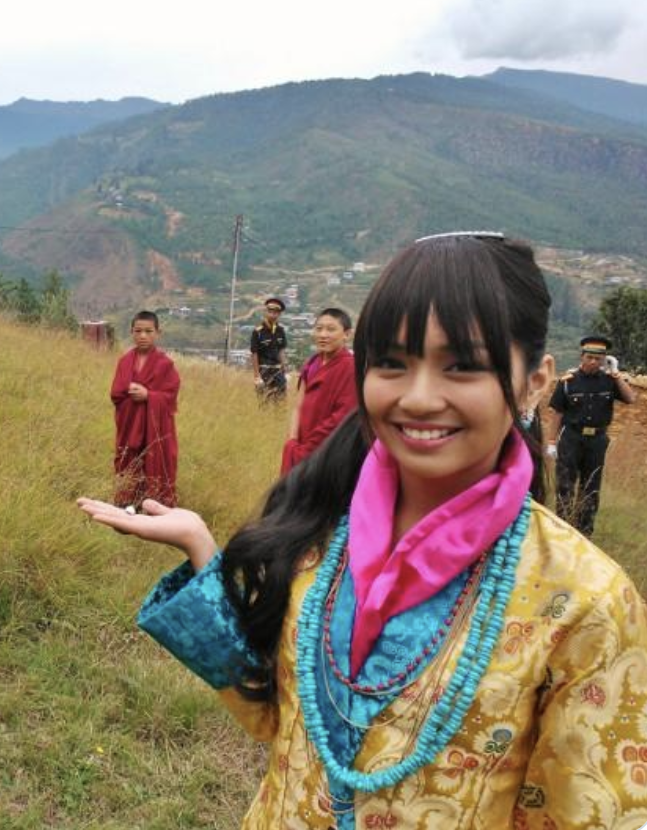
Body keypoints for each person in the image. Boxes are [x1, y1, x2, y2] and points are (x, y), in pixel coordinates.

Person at [79, 233, 647, 829]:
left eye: (462, 366)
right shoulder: (318, 528)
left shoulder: (587, 602)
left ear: (535, 381)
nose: (419, 398)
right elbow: (283, 721)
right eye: (393, 364)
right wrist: (201, 551)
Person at [547, 335, 636, 537]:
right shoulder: (569, 381)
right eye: (589, 358)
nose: (594, 362)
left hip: (597, 440)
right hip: (571, 437)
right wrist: (552, 441)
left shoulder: (609, 381)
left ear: (604, 359)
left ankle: (584, 533)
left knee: (591, 486)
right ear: (582, 357)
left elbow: (630, 398)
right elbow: (557, 413)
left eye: (598, 359)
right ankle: (562, 530)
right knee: (566, 484)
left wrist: (616, 373)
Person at [111, 310, 180, 508]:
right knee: (129, 463)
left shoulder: (164, 364)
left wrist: (149, 396)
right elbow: (116, 394)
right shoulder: (124, 362)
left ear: (158, 333)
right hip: (130, 426)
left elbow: (170, 396)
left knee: (155, 464)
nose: (143, 336)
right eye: (138, 331)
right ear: (131, 332)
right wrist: (129, 391)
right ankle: (127, 503)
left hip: (155, 430)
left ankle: (155, 507)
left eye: (149, 331)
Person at [280, 307, 356, 473]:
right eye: (319, 328)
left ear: (347, 334)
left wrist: (309, 449)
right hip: (300, 445)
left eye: (331, 329)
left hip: (329, 452)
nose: (323, 335)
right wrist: (292, 442)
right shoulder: (312, 363)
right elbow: (298, 406)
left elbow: (342, 417)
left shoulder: (350, 368)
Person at [250, 297, 287, 403]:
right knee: (264, 403)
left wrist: (284, 371)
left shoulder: (281, 330)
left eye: (276, 312)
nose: (273, 315)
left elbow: (281, 351)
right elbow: (254, 354)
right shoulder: (258, 332)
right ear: (266, 312)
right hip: (264, 371)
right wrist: (257, 376)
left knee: (280, 403)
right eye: (270, 312)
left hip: (278, 371)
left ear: (279, 314)